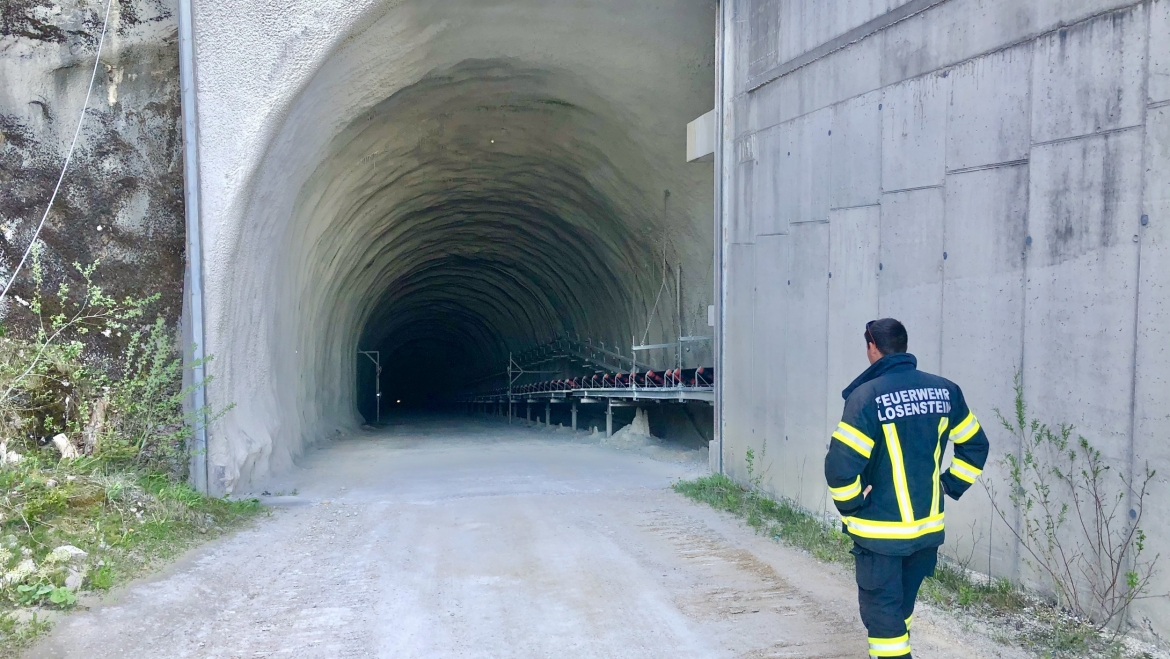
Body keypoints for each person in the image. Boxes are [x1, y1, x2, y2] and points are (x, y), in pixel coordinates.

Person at [824, 319, 989, 659]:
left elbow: (840, 469)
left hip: (880, 536)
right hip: (926, 533)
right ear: (903, 345)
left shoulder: (866, 397)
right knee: (901, 609)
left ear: (872, 346)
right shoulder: (945, 391)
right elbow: (975, 446)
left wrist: (852, 505)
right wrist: (948, 484)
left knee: (883, 621)